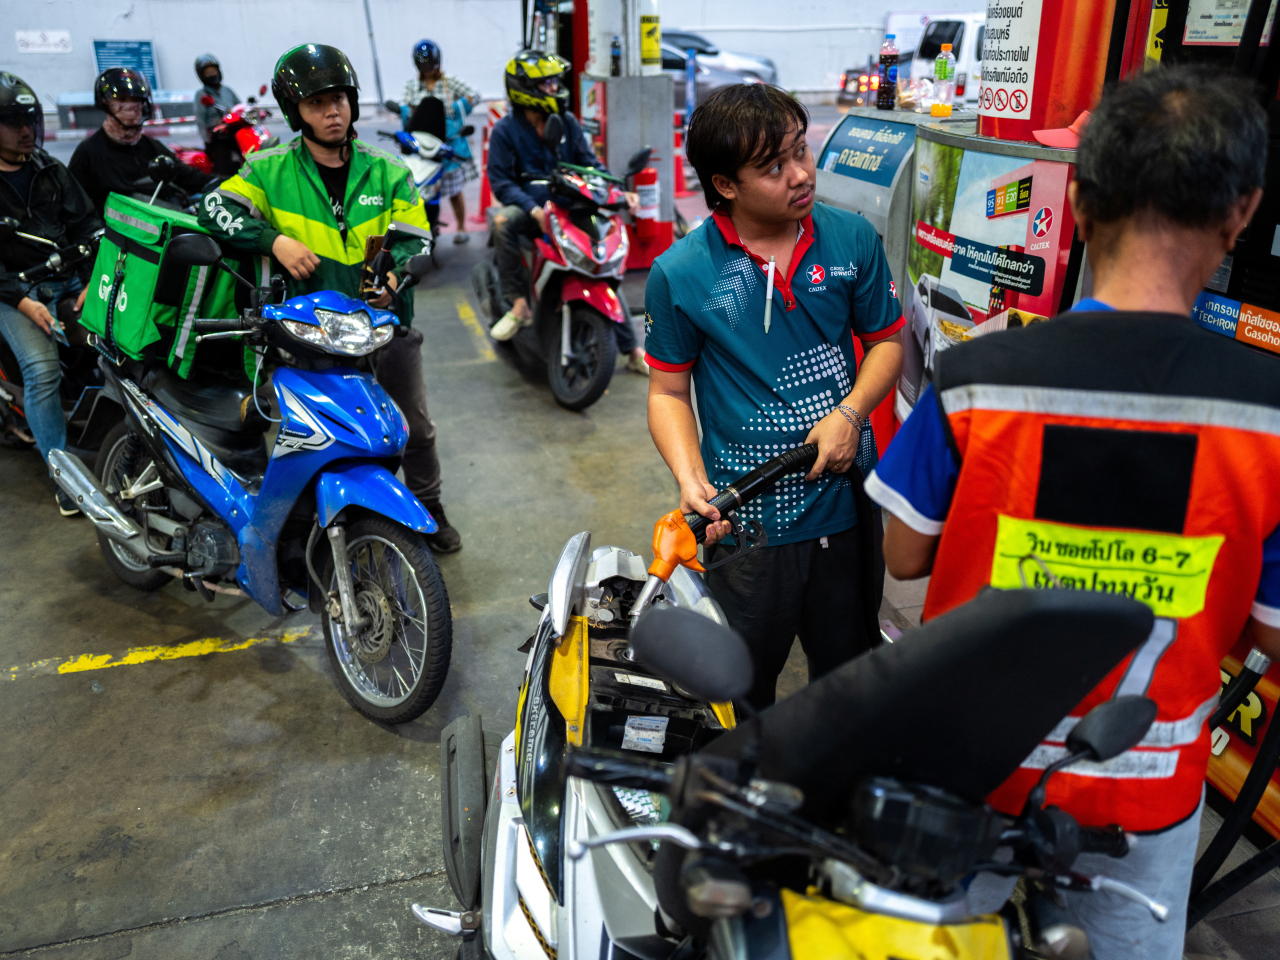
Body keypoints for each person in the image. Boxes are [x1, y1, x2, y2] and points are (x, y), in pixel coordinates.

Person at [866, 65, 1280, 957]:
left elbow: (903, 555)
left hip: (967, 773)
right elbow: (1275, 634)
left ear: (1082, 203)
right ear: (1242, 212)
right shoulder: (1271, 414)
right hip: (1145, 796)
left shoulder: (978, 381)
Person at [644, 83, 905, 708]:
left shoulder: (851, 240)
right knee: (741, 685)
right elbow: (668, 392)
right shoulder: (681, 273)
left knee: (847, 675)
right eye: (773, 167)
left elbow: (888, 344)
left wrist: (850, 414)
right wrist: (690, 480)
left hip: (846, 507)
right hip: (750, 523)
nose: (800, 176)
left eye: (801, 152)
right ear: (725, 184)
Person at [197, 43, 462, 554]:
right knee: (307, 441)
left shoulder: (388, 171)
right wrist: (271, 240)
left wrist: (399, 275)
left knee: (416, 430)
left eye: (339, 98)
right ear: (297, 111)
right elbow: (213, 208)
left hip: (382, 327)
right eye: (317, 103)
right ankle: (308, 527)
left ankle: (430, 504)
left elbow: (418, 237)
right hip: (305, 336)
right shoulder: (268, 171)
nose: (332, 110)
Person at [487, 51, 648, 373]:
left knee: (603, 259)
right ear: (524, 89)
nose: (554, 87)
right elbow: (500, 181)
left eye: (554, 81)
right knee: (504, 223)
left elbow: (590, 163)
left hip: (570, 202)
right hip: (531, 206)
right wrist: (531, 209)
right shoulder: (505, 130)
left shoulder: (568, 122)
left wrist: (617, 191)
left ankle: (630, 349)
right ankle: (519, 305)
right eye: (547, 83)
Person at [0, 72, 101, 515]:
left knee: (119, 341)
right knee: (42, 371)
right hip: (12, 291)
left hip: (68, 280)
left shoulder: (48, 167)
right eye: (12, 120)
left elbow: (88, 226)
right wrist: (24, 301)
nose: (26, 129)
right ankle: (65, 476)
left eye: (29, 118)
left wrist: (96, 285)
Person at [69, 68, 217, 215]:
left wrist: (230, 184)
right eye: (122, 99)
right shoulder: (88, 153)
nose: (131, 106)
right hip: (118, 233)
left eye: (136, 100)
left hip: (166, 226)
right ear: (105, 103)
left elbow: (190, 177)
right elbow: (74, 205)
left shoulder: (153, 148)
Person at [402, 39, 479, 244]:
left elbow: (474, 95)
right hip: (423, 148)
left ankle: (461, 226)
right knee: (422, 190)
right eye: (422, 64)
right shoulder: (412, 86)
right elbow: (406, 110)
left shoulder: (449, 82)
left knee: (454, 191)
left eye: (429, 64)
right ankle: (425, 229)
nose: (426, 68)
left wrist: (457, 110)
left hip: (448, 146)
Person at [193, 53, 240, 154]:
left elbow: (240, 106)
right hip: (217, 137)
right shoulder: (201, 95)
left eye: (213, 71)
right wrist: (207, 142)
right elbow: (200, 121)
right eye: (208, 73)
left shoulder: (227, 90)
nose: (212, 75)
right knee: (224, 162)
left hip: (234, 131)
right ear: (202, 76)